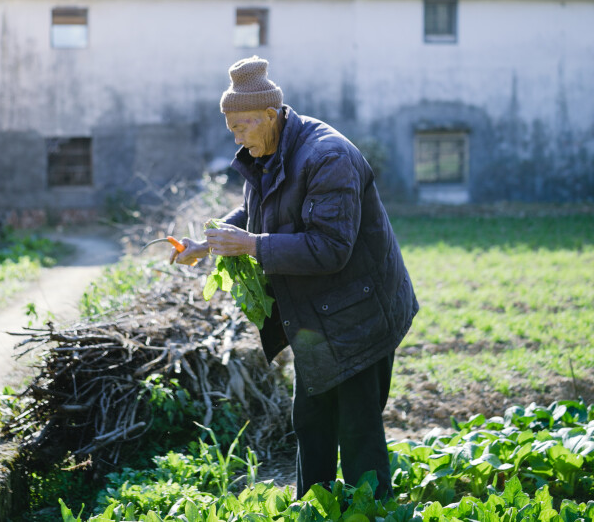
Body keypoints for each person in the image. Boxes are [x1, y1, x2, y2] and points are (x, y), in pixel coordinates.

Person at [171, 56, 418, 500]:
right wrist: (208, 243)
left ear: (271, 115)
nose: (238, 138)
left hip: (360, 312)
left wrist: (252, 246)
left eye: (243, 127)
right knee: (311, 421)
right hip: (315, 315)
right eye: (232, 130)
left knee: (357, 430)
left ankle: (374, 510)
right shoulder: (265, 150)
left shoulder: (329, 157)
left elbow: (330, 248)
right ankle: (313, 507)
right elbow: (254, 211)